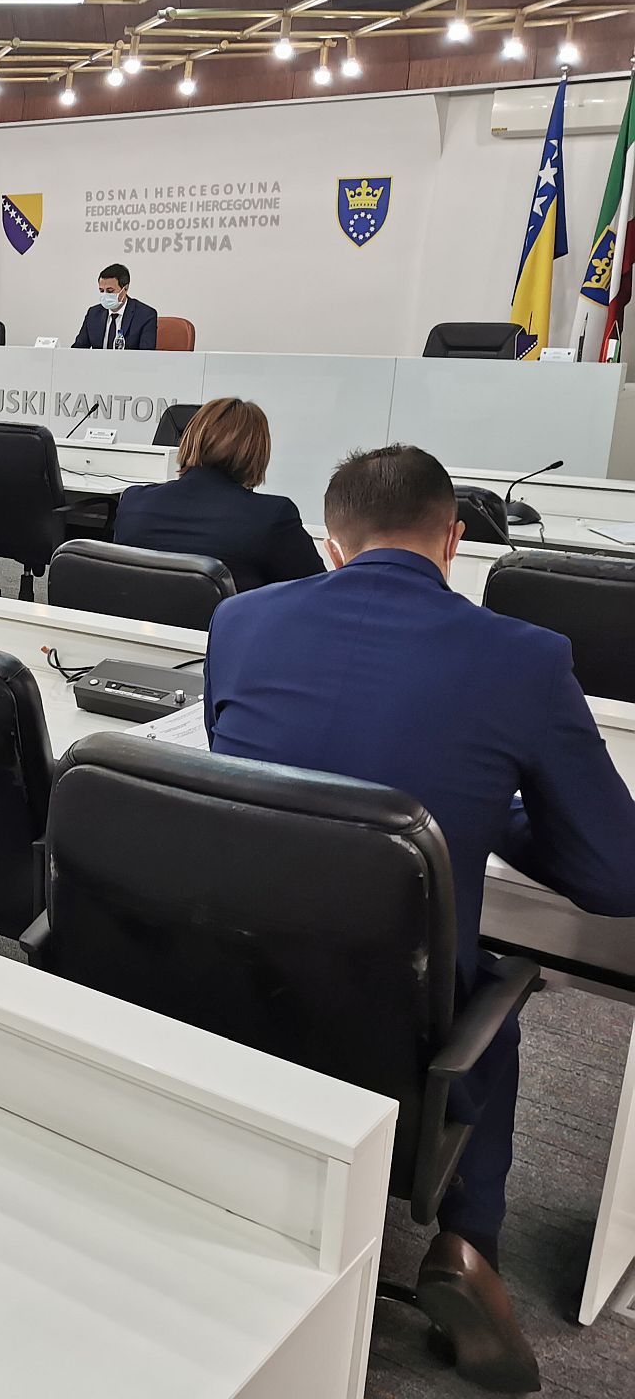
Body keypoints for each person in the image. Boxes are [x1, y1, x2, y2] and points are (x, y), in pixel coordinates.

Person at [203, 444, 635, 1393]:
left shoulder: (239, 619)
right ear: (454, 541)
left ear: (331, 545)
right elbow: (616, 878)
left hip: (224, 988)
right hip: (394, 1029)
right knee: (494, 1003)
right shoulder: (526, 658)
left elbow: (242, 777)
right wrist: (491, 807)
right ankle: (469, 1249)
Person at [113, 397, 323, 591]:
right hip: (227, 622)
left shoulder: (133, 502)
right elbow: (317, 592)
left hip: (135, 621)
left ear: (190, 439)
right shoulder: (272, 516)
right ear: (257, 453)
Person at [72, 263, 157, 350]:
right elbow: (78, 349)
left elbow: (146, 354)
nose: (105, 295)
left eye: (110, 291)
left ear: (125, 288)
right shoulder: (93, 314)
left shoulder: (145, 315)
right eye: (101, 291)